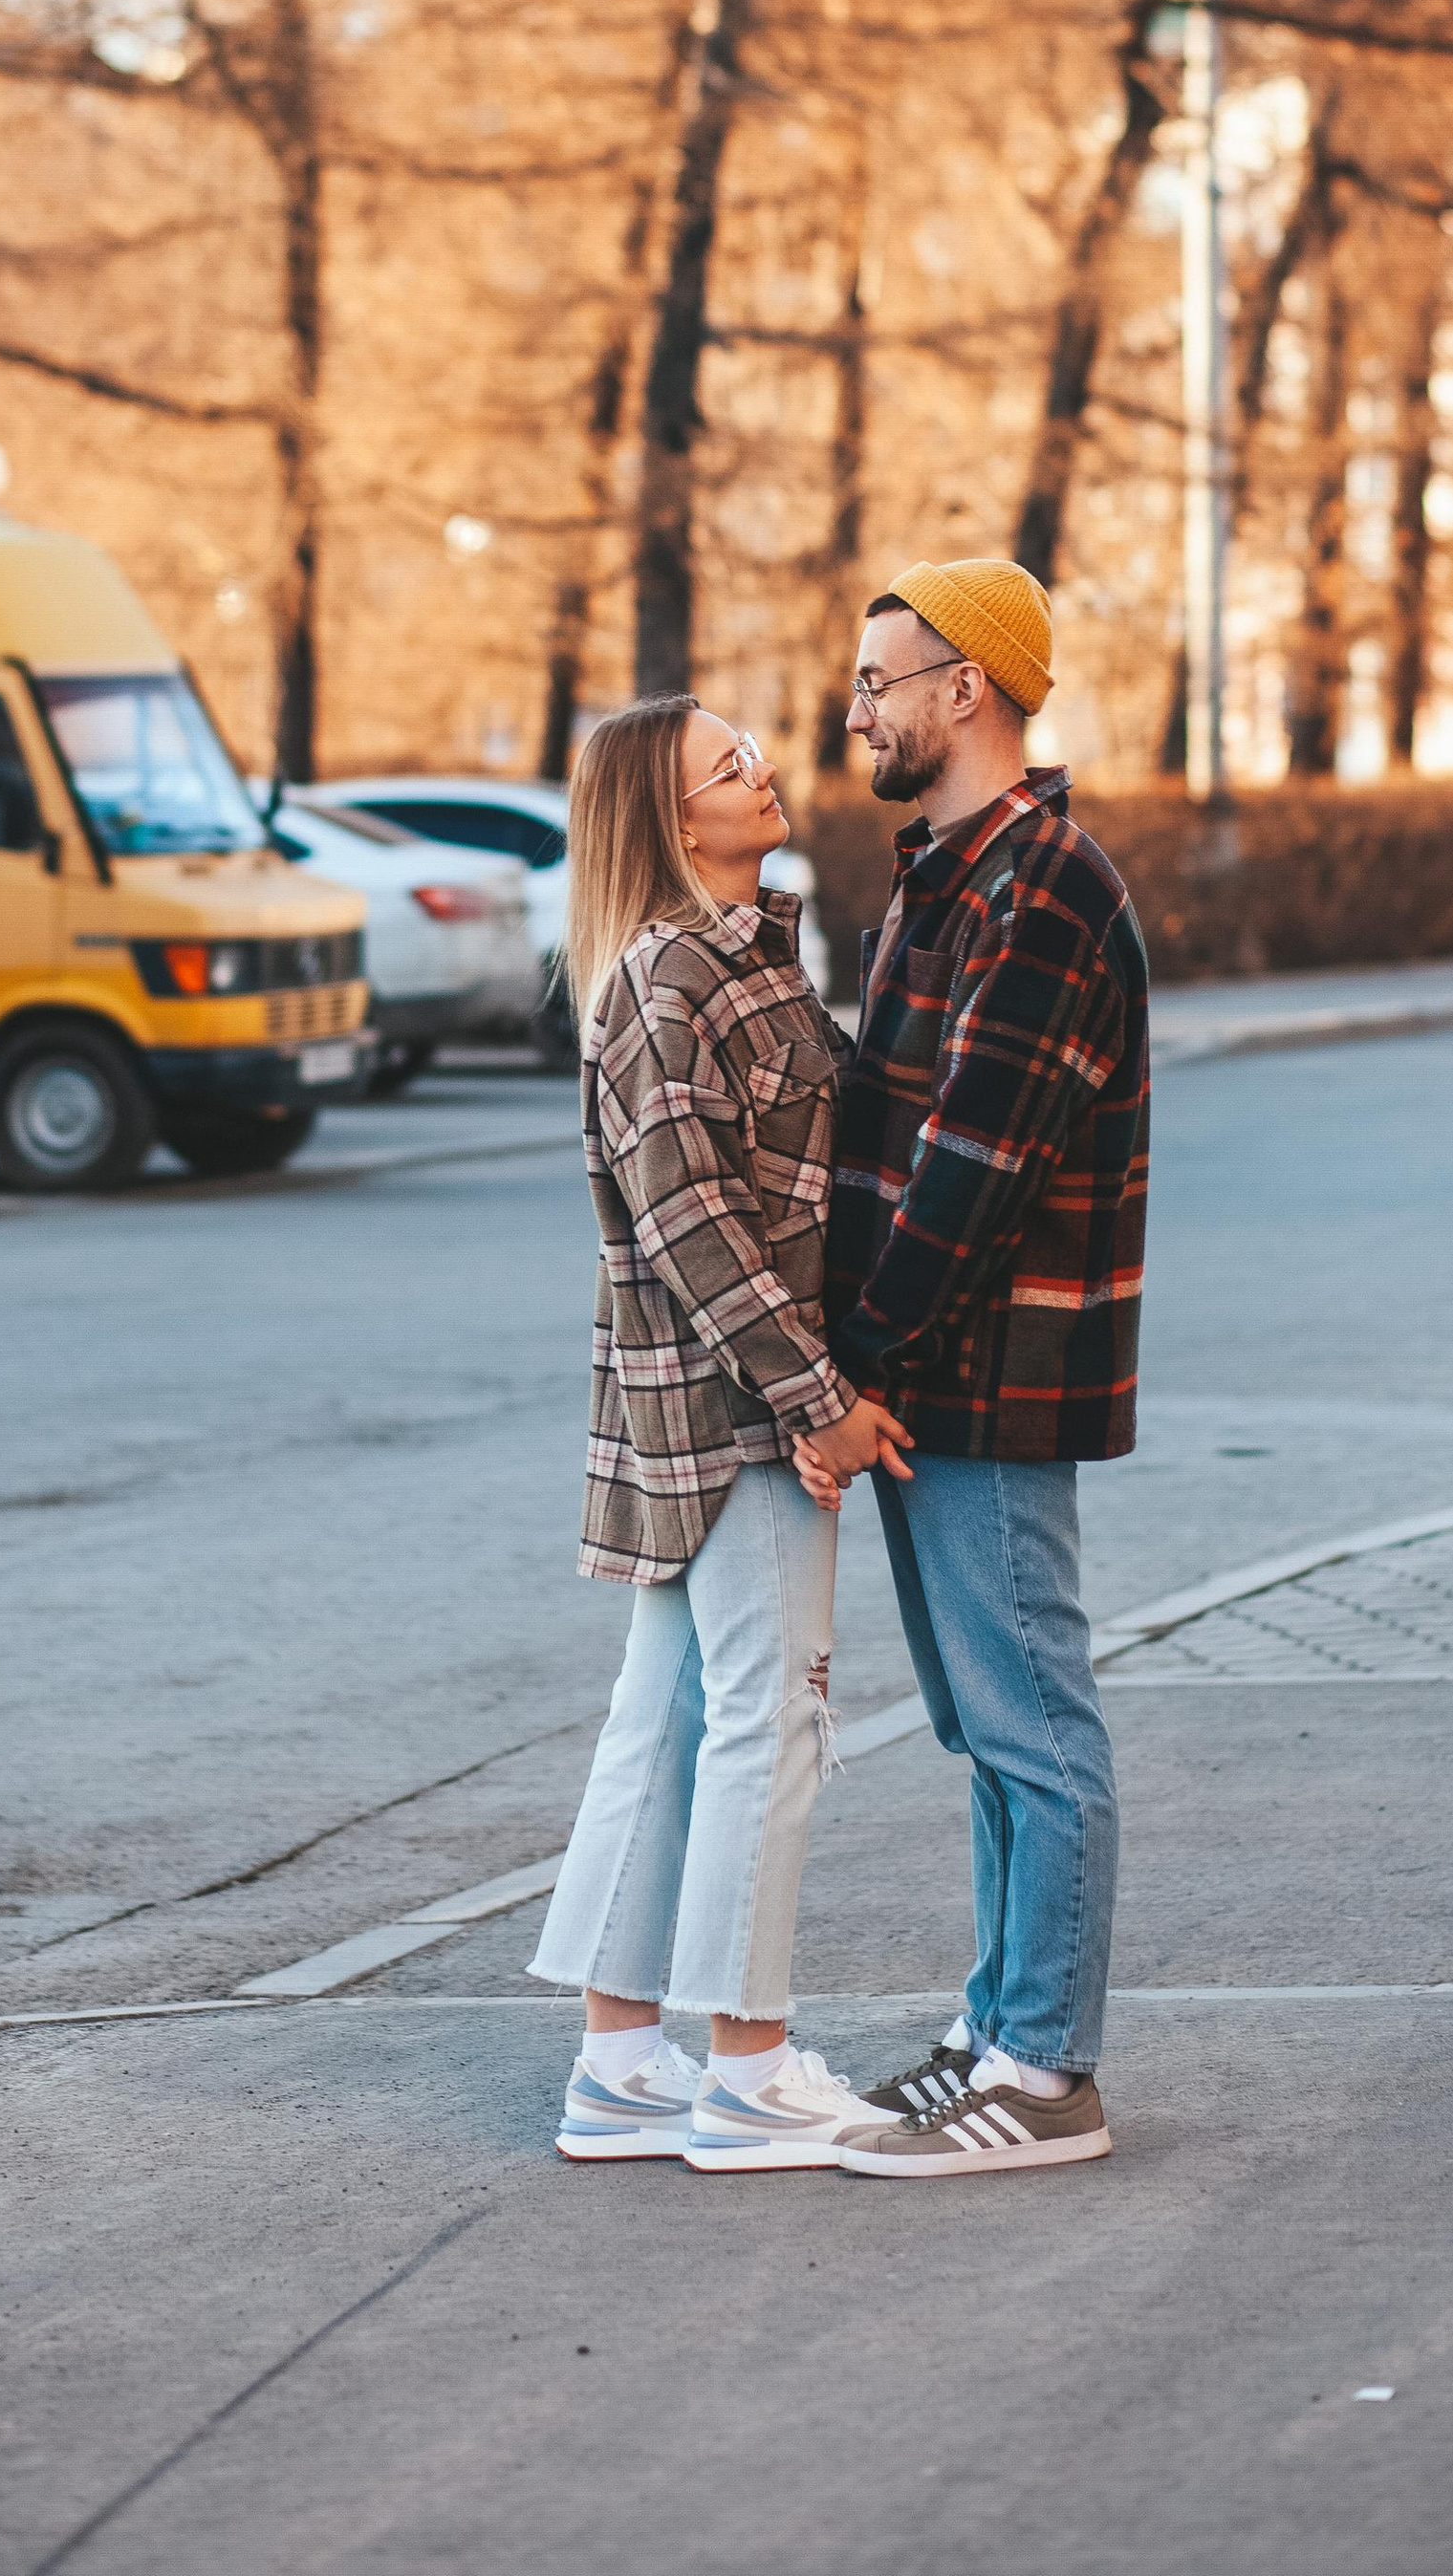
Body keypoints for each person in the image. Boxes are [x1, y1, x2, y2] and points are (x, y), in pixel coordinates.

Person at [527, 693, 915, 2171]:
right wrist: (821, 1401)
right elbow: (698, 1226)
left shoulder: (749, 950)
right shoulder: (663, 978)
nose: (762, 766)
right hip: (733, 1419)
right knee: (776, 1721)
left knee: (674, 1724)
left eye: (748, 745)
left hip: (730, 1406)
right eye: (724, 765)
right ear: (670, 819)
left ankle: (624, 2063)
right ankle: (747, 2072)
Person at [798, 559, 1149, 2179]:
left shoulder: (1048, 889)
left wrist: (846, 1369)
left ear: (971, 691)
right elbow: (878, 1127)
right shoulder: (940, 881)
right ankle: (1001, 2022)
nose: (858, 705)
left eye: (883, 678)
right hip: (928, 1380)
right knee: (980, 1731)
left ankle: (1048, 2073)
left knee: (1034, 1727)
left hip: (993, 1381)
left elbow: (971, 1168)